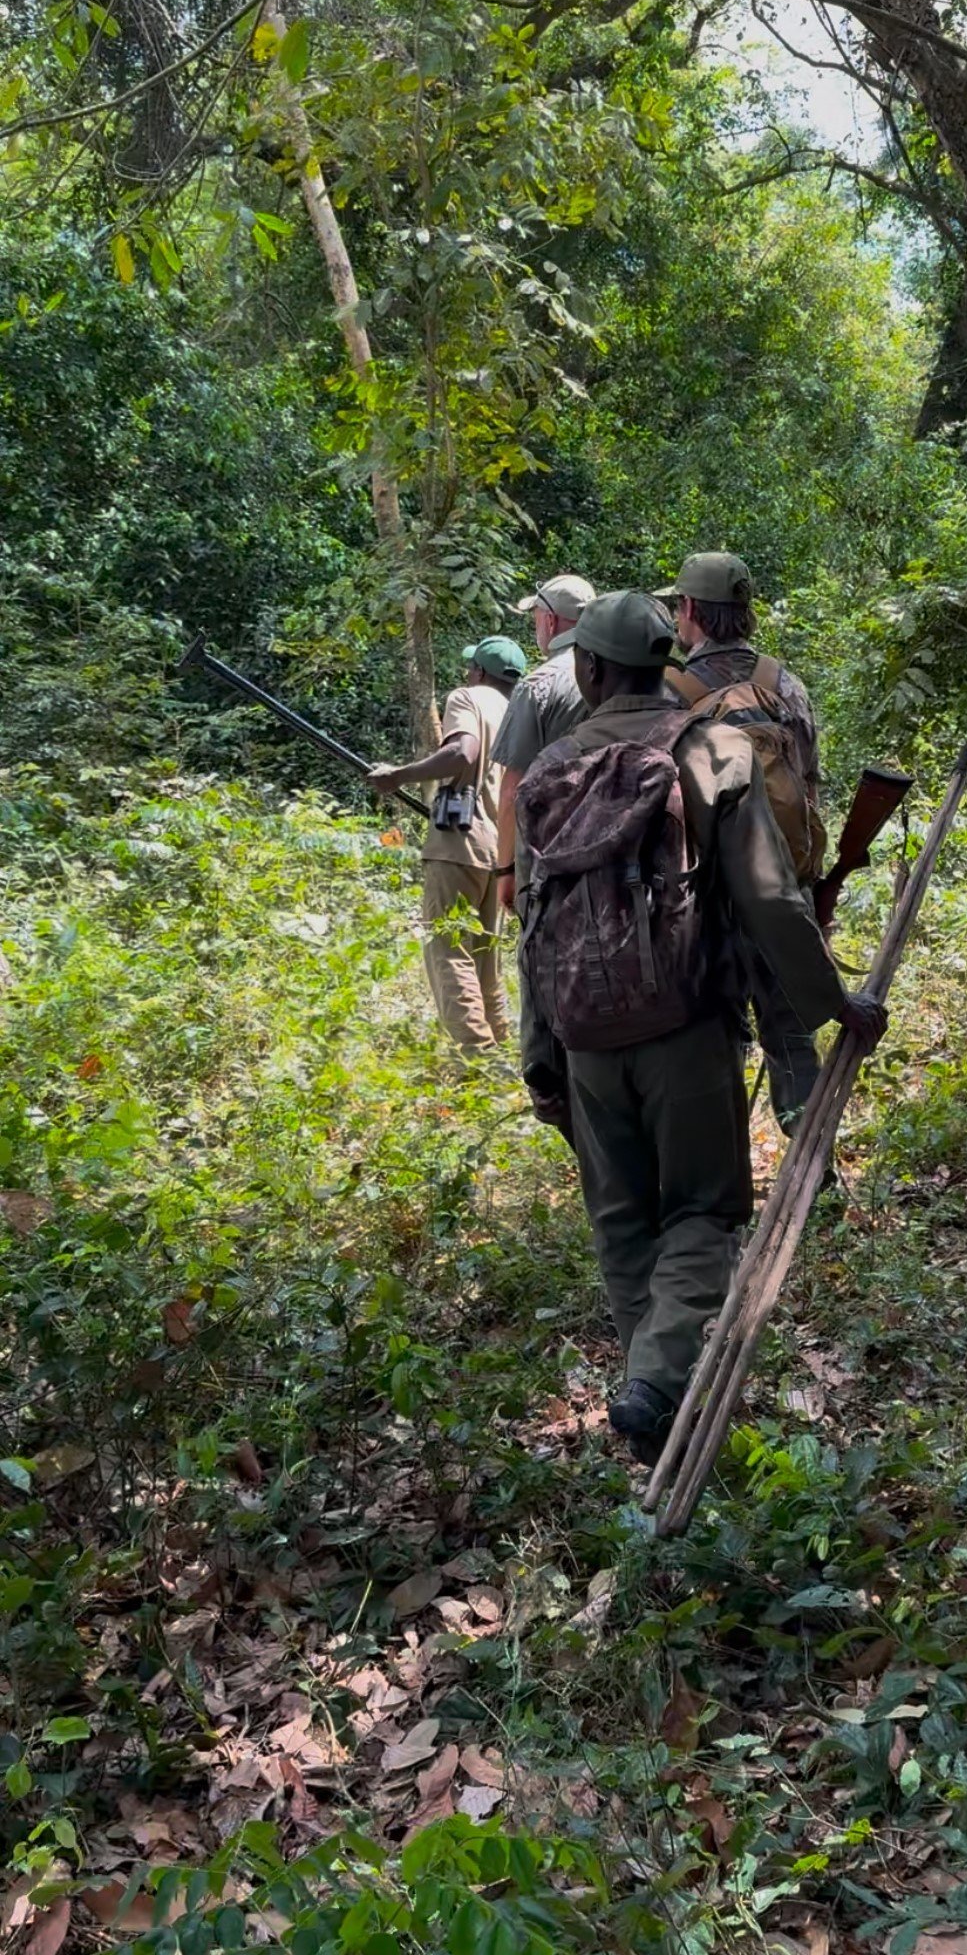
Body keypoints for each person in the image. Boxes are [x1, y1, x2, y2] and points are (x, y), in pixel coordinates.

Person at [515, 590, 886, 1465]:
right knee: (704, 1211)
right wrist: (835, 1003)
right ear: (663, 664)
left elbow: (535, 921)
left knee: (623, 1223)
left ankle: (653, 1394)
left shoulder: (550, 770)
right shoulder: (710, 748)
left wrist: (541, 1054)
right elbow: (767, 894)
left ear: (587, 669)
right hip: (686, 1028)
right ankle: (657, 1386)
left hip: (583, 1039)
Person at [659, 550, 830, 1135]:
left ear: (688, 610)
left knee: (711, 1040)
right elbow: (807, 779)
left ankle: (722, 1184)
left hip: (703, 897)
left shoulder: (669, 689)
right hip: (785, 887)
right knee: (792, 1035)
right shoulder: (783, 682)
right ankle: (814, 1170)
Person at [368, 635, 526, 1053]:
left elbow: (462, 752)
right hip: (502, 849)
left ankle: (478, 1060)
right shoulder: (519, 709)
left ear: (478, 672)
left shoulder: (468, 697)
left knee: (448, 951)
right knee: (485, 958)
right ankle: (503, 1048)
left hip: (459, 842)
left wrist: (399, 775)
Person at [492, 572, 597, 917]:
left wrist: (504, 869)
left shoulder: (539, 685)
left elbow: (512, 790)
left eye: (535, 615)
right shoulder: (622, 672)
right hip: (615, 845)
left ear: (550, 621)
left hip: (546, 856)